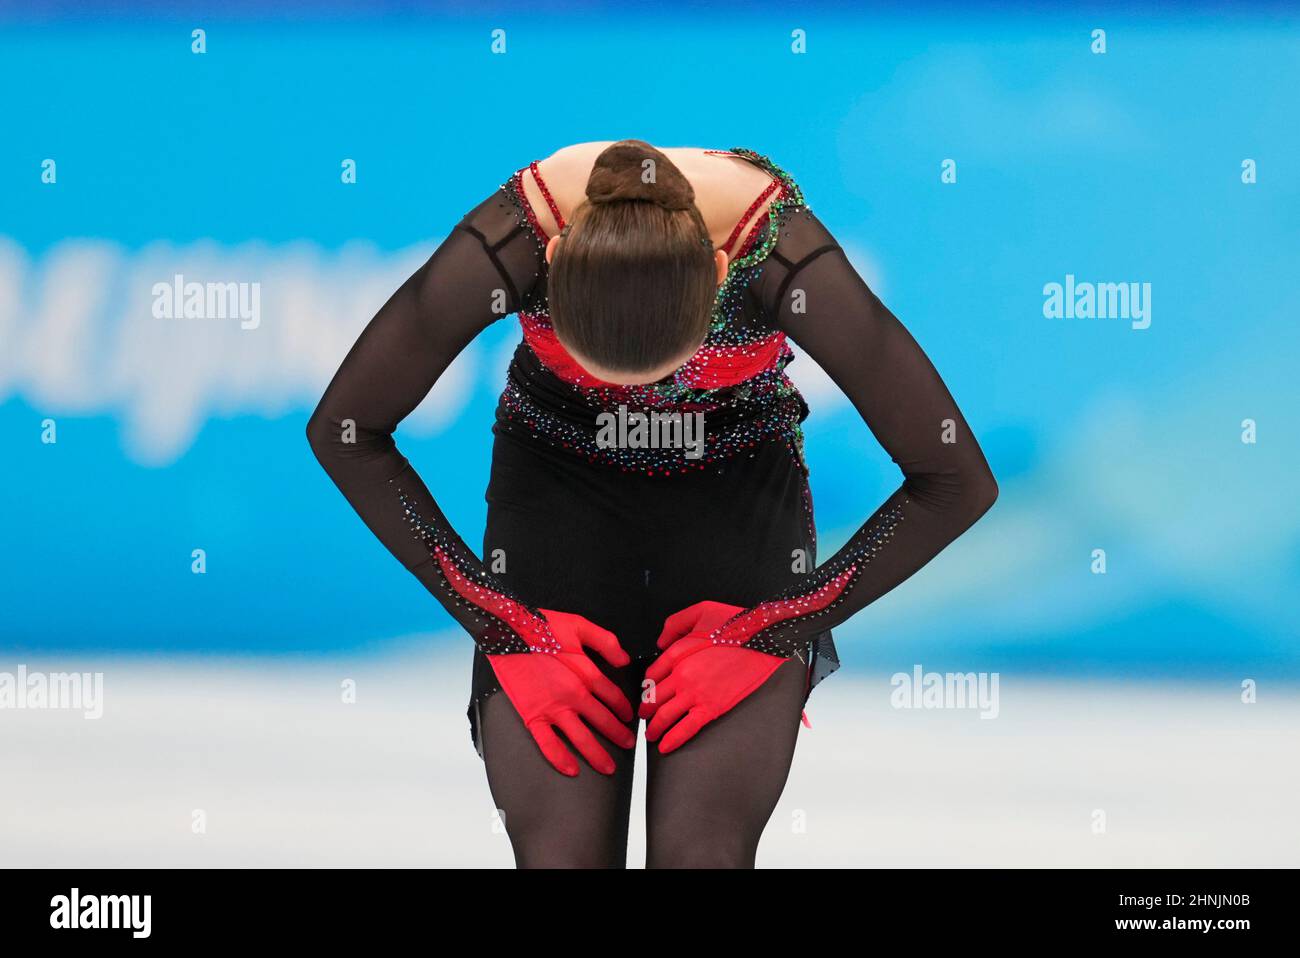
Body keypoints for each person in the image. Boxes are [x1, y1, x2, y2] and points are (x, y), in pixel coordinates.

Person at [307, 139, 997, 868]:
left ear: (720, 276)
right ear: (556, 263)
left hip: (734, 514)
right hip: (556, 508)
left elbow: (954, 482)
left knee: (700, 854)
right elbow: (347, 432)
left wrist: (769, 630)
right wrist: (506, 624)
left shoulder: (779, 254)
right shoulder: (516, 239)